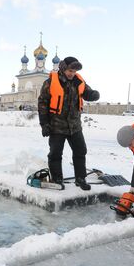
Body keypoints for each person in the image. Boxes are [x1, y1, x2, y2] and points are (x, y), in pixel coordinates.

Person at [38, 56, 100, 190]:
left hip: (74, 126)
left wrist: (93, 95)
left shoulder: (78, 81)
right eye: (70, 71)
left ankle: (80, 178)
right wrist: (44, 124)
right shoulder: (50, 82)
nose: (72, 74)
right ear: (63, 68)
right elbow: (42, 103)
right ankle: (57, 178)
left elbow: (87, 92)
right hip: (56, 126)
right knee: (55, 154)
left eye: (74, 71)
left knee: (80, 151)